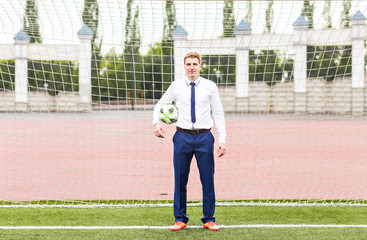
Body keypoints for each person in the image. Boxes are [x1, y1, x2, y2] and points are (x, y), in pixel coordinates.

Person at [153, 52, 226, 231]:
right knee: (180, 179)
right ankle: (180, 219)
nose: (192, 67)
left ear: (200, 65)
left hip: (204, 137)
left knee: (207, 179)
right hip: (182, 137)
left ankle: (208, 219)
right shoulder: (176, 86)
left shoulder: (210, 86)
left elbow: (218, 112)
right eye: (188, 64)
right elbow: (160, 105)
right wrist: (156, 123)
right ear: (184, 66)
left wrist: (222, 139)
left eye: (195, 64)